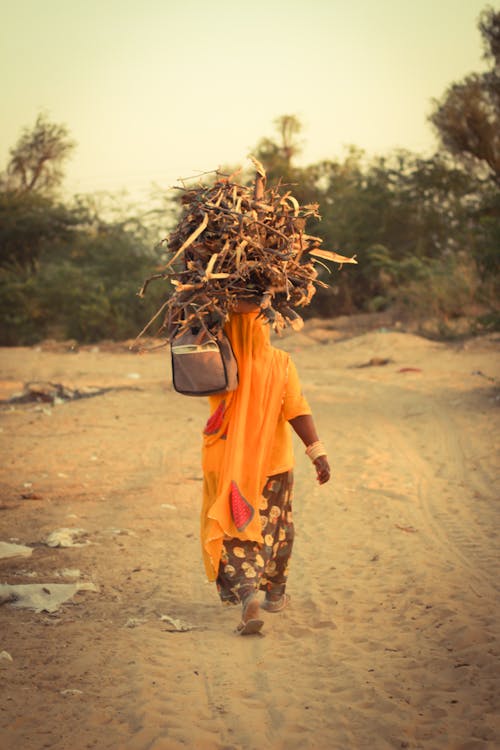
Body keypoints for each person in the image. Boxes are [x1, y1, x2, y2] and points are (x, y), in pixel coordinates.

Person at [200, 299, 331, 635]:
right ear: (264, 327)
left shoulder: (218, 360)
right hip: (274, 464)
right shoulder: (281, 363)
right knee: (276, 524)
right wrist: (317, 452)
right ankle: (274, 591)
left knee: (234, 526)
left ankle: (246, 593)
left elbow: (187, 369)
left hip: (227, 463)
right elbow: (297, 410)